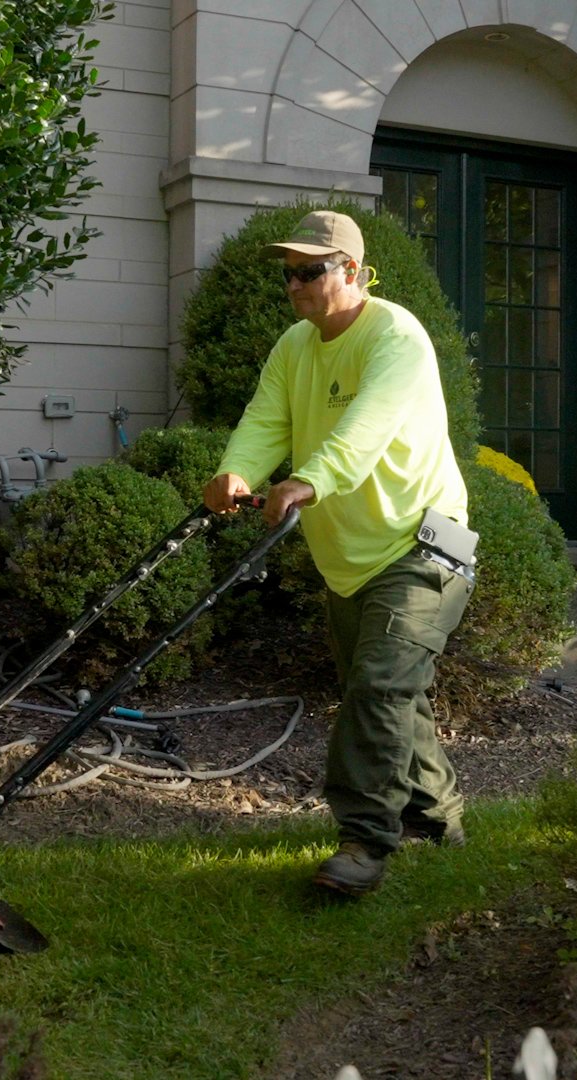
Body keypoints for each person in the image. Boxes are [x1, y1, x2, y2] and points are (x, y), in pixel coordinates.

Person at [202, 209, 472, 897]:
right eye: (288, 273)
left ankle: (363, 841)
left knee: (379, 686)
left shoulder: (396, 336)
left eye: (308, 271)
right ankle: (440, 819)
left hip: (426, 540)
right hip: (350, 554)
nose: (292, 284)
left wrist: (308, 479)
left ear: (350, 271)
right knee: (388, 692)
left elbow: (368, 425)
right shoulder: (296, 345)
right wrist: (239, 470)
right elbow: (267, 419)